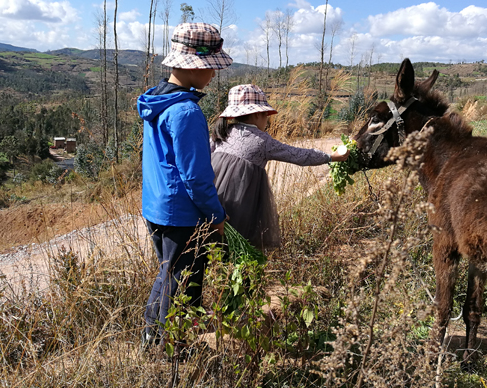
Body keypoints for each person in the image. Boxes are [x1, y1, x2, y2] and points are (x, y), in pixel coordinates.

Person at [137, 22, 232, 349]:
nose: (213, 75)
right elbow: (195, 177)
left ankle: (153, 336)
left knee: (168, 274)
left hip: (156, 207)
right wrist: (216, 214)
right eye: (211, 68)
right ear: (196, 67)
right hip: (181, 214)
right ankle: (175, 348)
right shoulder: (187, 111)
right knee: (184, 281)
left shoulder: (157, 102)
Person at [211, 84, 350, 250]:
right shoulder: (262, 141)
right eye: (266, 116)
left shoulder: (222, 133)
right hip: (242, 201)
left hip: (213, 196)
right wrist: (329, 157)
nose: (267, 121)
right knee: (239, 239)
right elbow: (297, 155)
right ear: (257, 114)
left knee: (214, 239)